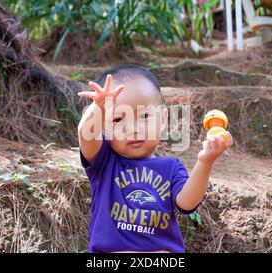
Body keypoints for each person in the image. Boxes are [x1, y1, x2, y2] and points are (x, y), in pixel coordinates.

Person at [77, 64, 233, 253]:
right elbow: (86, 135)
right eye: (117, 119)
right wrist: (98, 107)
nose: (133, 128)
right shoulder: (104, 162)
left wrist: (205, 161)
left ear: (162, 119)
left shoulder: (171, 168)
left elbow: (187, 203)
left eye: (144, 116)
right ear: (102, 125)